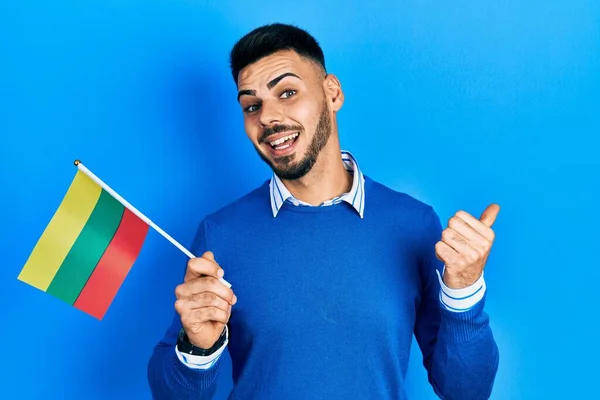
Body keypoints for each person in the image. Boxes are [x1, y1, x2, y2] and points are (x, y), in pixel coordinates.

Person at [147, 23, 500, 400]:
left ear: (332, 93)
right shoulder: (220, 235)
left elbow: (467, 390)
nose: (267, 117)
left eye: (287, 92)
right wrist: (198, 348)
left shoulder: (413, 223)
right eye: (252, 105)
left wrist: (464, 292)